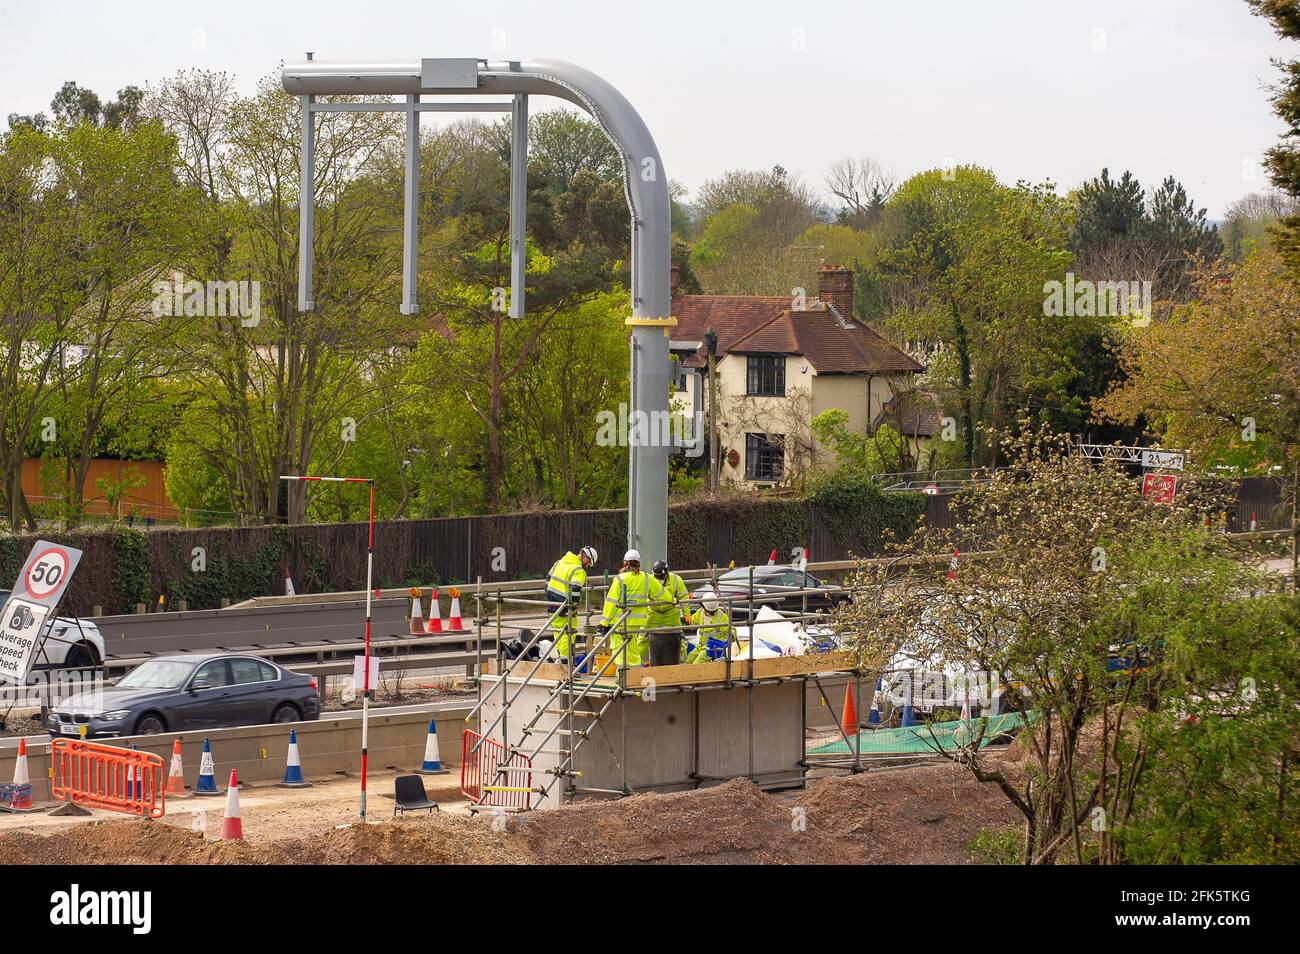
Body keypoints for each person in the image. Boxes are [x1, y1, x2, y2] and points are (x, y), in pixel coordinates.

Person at [600, 549, 664, 667]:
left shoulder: (619, 579)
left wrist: (604, 623)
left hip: (619, 623)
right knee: (633, 653)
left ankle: (622, 680)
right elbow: (661, 593)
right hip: (635, 624)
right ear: (638, 563)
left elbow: (611, 602)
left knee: (619, 653)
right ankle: (634, 679)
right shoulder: (646, 578)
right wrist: (674, 600)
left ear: (625, 563)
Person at [546, 546, 597, 661]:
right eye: (589, 562)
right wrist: (573, 607)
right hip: (565, 606)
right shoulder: (579, 570)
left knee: (557, 631)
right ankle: (565, 663)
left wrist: (549, 597)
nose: (588, 565)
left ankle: (560, 660)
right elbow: (575, 591)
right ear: (585, 558)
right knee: (568, 633)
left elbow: (547, 580)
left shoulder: (560, 562)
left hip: (551, 603)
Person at [647, 559, 691, 664]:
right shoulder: (649, 580)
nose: (659, 579)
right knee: (642, 637)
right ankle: (644, 662)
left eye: (661, 577)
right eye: (657, 576)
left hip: (670, 612)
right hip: (654, 612)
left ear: (667, 574)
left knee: (678, 636)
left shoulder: (676, 580)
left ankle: (681, 661)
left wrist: (687, 613)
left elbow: (683, 596)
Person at [686, 596, 733, 663]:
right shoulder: (700, 612)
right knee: (687, 661)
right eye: (710, 611)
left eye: (713, 611)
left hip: (712, 649)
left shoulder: (721, 616)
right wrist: (685, 620)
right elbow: (691, 622)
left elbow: (730, 629)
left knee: (696, 664)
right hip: (700, 647)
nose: (712, 612)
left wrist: (731, 635)